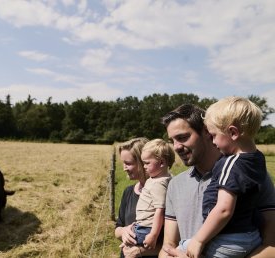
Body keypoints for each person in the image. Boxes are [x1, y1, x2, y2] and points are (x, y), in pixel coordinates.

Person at [158, 103, 275, 258]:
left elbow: (272, 245)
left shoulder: (251, 176)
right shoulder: (175, 184)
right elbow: (169, 246)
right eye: (172, 140)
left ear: (207, 132)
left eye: (183, 137)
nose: (176, 147)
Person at [179, 97, 264, 257]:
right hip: (251, 235)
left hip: (228, 239)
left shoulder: (232, 164)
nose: (212, 141)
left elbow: (224, 209)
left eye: (213, 135)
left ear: (233, 132)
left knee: (183, 247)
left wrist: (199, 240)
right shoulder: (257, 157)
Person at [115, 137, 162, 258]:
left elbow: (173, 241)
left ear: (143, 162)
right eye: (123, 163)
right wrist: (123, 232)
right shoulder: (128, 192)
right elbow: (118, 227)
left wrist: (141, 251)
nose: (124, 168)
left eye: (128, 163)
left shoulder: (165, 192)